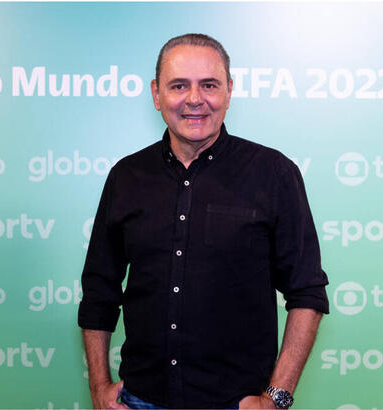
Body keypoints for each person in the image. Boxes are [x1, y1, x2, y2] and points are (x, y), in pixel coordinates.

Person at [78, 33, 329, 409]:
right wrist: (99, 385)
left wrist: (276, 399)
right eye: (179, 85)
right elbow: (99, 292)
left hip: (237, 402)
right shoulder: (126, 177)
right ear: (156, 94)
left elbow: (307, 292)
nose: (194, 99)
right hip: (140, 400)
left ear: (229, 91)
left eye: (208, 85)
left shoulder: (274, 173)